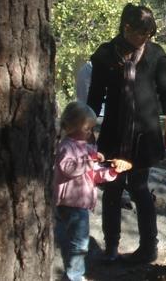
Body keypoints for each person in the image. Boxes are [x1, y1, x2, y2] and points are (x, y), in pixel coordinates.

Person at [87, 3, 166, 264]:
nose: (145, 39)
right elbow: (95, 95)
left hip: (145, 134)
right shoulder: (105, 54)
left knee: (139, 188)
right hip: (114, 133)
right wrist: (88, 130)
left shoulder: (155, 55)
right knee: (112, 189)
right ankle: (112, 246)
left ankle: (148, 247)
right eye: (141, 33)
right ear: (126, 28)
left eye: (149, 34)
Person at [53, 102, 131, 281]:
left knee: (78, 241)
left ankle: (74, 273)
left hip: (81, 204)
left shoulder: (85, 149)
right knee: (79, 242)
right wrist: (89, 160)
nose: (91, 133)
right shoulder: (66, 147)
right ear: (72, 126)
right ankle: (74, 276)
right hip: (70, 203)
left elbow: (94, 175)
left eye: (92, 129)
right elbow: (69, 169)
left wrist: (112, 171)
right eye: (87, 129)